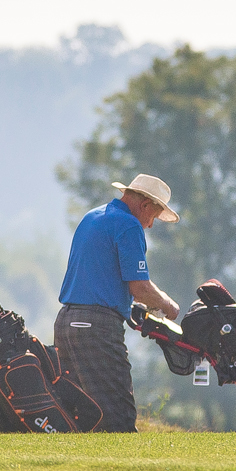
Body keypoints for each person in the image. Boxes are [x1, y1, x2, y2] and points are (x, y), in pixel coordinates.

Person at [53, 173, 180, 433]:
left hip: (65, 323)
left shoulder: (92, 217)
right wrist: (167, 305)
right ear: (145, 205)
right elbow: (140, 288)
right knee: (118, 417)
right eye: (154, 217)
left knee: (77, 416)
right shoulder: (129, 225)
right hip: (96, 328)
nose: (150, 226)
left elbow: (101, 275)